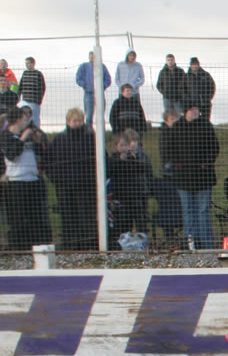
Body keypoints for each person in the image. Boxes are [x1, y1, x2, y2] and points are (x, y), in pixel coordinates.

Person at [163, 100, 220, 249]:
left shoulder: (206, 126)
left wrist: (206, 163)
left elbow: (214, 148)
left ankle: (207, 245)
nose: (195, 112)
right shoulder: (177, 128)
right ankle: (190, 244)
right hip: (184, 178)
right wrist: (177, 165)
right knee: (188, 211)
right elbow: (169, 150)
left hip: (203, 177)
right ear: (186, 111)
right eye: (192, 109)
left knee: (203, 211)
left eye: (197, 109)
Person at [45, 108, 99, 250]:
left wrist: (93, 178)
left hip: (86, 186)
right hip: (64, 186)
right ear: (68, 121)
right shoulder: (59, 139)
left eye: (80, 120)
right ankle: (70, 245)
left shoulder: (90, 138)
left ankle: (89, 245)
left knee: (86, 216)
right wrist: (56, 179)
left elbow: (100, 159)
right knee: (68, 216)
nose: (77, 123)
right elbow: (49, 162)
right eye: (75, 120)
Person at [1, 105, 50, 251]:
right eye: (24, 119)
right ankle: (19, 248)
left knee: (35, 215)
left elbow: (41, 154)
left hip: (33, 179)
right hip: (17, 181)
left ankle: (36, 245)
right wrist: (22, 138)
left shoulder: (28, 135)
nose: (26, 122)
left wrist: (38, 141)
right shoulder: (6, 136)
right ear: (17, 120)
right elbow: (12, 154)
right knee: (19, 217)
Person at [107, 128, 153, 235]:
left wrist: (133, 159)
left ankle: (142, 238)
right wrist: (121, 160)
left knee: (140, 218)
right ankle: (125, 239)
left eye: (126, 145)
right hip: (121, 195)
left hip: (136, 194)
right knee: (124, 220)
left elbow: (143, 169)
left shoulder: (136, 157)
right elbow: (111, 171)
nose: (124, 148)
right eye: (122, 145)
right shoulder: (114, 158)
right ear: (116, 146)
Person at [75, 52, 111, 127]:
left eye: (94, 57)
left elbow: (108, 79)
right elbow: (78, 78)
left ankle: (101, 132)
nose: (92, 58)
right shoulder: (84, 66)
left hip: (100, 94)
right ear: (89, 57)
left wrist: (102, 86)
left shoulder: (102, 66)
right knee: (88, 115)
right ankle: (89, 132)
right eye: (91, 57)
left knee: (101, 115)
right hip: (88, 93)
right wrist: (85, 85)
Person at [19, 58, 45, 126]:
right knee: (25, 118)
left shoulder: (38, 74)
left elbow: (42, 87)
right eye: (26, 63)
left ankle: (36, 131)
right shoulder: (25, 73)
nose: (27, 65)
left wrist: (39, 100)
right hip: (25, 100)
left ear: (33, 63)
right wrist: (19, 97)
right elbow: (20, 86)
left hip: (34, 101)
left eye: (28, 63)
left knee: (35, 119)